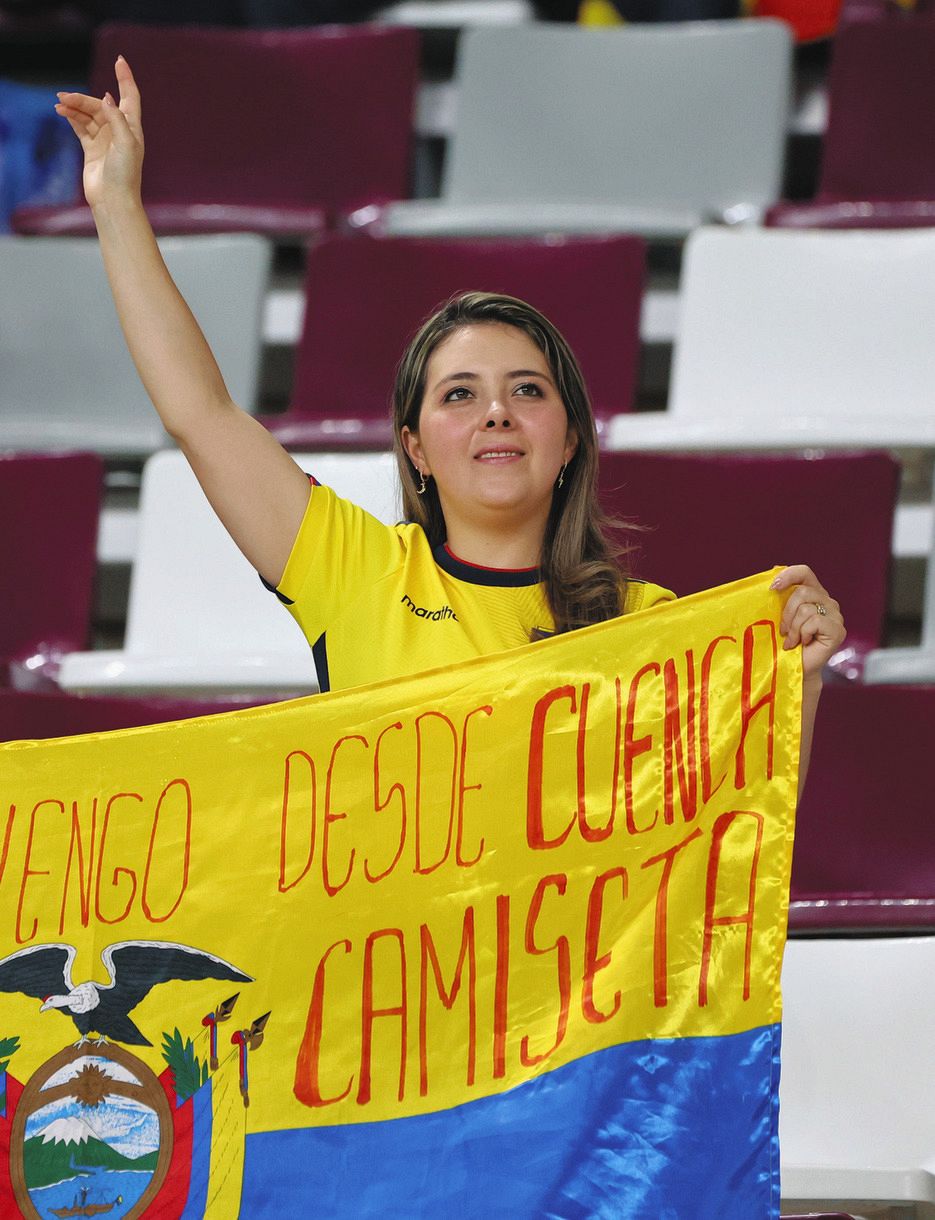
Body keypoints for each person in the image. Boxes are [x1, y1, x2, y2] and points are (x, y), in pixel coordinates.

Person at [53, 58, 846, 793]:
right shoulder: (355, 574)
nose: (495, 411)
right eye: (459, 395)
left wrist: (799, 678)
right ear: (414, 448)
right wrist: (116, 203)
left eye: (526, 390)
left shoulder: (652, 624)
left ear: (570, 441)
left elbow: (728, 829)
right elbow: (201, 413)